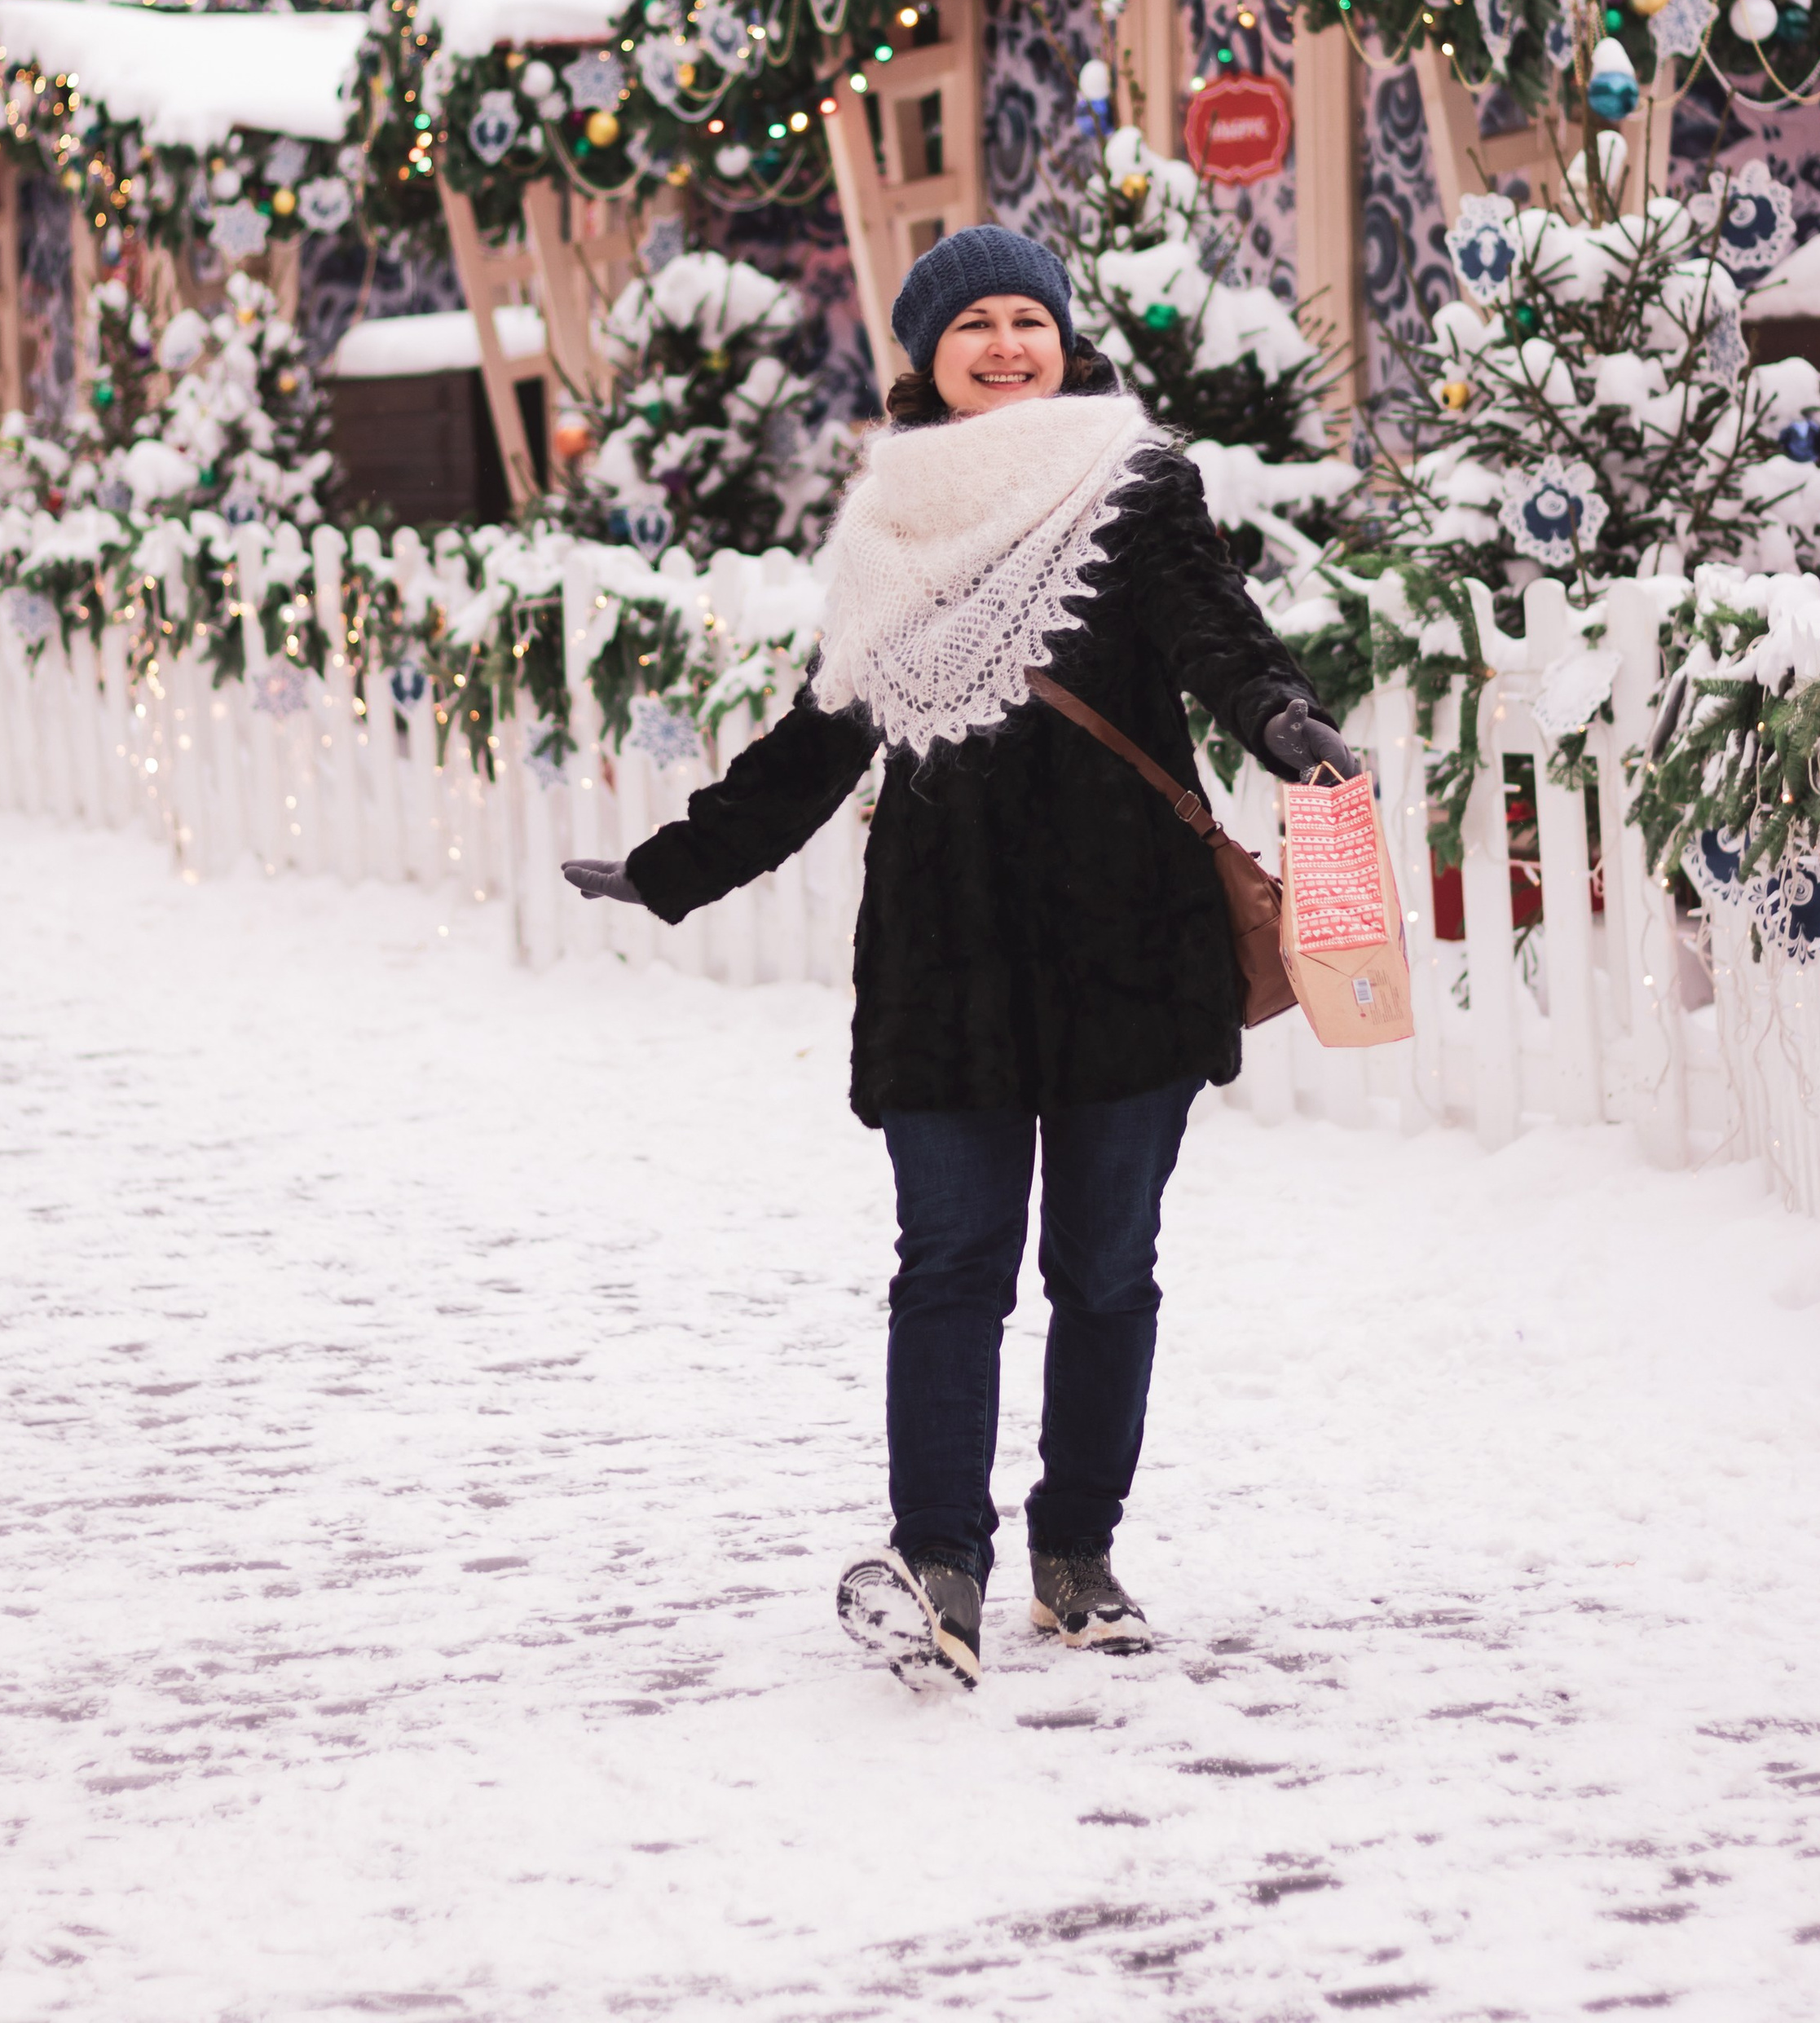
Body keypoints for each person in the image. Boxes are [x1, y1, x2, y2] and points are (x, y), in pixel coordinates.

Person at [565, 224, 1352, 1692]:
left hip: (1131, 939)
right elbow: (825, 736)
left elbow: (1217, 637)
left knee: (1108, 1269)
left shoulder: (1137, 481)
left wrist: (1284, 724)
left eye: (1028, 320)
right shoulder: (894, 524)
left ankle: (1076, 1550)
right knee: (950, 1266)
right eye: (973, 323)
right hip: (952, 954)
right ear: (924, 354)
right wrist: (673, 871)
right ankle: (943, 1562)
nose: (1006, 343)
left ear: (1062, 339)